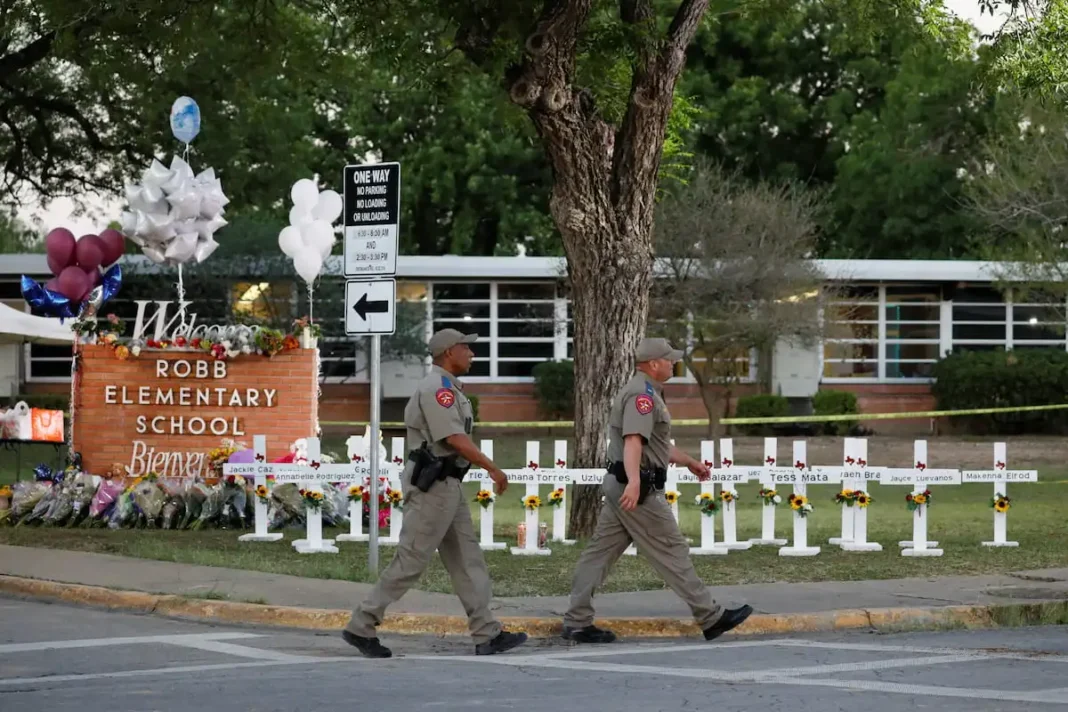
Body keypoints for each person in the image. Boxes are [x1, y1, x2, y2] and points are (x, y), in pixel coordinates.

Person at [342, 328, 528, 658]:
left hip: (447, 486)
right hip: (433, 488)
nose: (471, 354)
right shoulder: (437, 390)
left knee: (467, 560)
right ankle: (362, 624)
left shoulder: (449, 389)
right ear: (447, 353)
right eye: (465, 348)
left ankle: (487, 633)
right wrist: (492, 467)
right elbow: (454, 438)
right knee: (411, 560)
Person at [562, 337, 753, 643]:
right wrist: (636, 483)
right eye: (668, 359)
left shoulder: (645, 392)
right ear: (653, 364)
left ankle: (576, 621)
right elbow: (634, 440)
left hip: (621, 485)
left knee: (599, 554)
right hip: (637, 491)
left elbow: (654, 444)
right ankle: (711, 616)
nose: (673, 363)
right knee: (672, 549)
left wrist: (689, 461)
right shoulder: (642, 395)